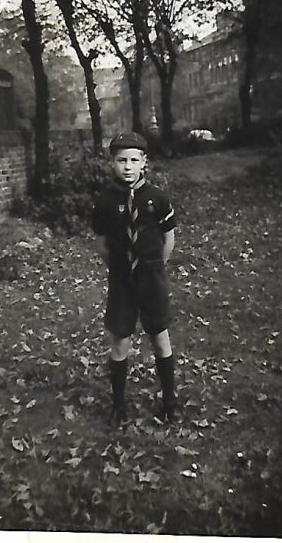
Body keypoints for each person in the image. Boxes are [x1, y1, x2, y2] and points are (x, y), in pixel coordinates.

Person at [92, 132, 177, 427]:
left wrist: (153, 266)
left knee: (160, 338)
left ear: (144, 162)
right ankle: (118, 405)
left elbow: (169, 239)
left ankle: (170, 402)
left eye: (133, 160)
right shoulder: (104, 201)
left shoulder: (157, 197)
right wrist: (121, 268)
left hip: (151, 277)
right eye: (120, 160)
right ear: (111, 162)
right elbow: (102, 244)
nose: (127, 166)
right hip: (121, 281)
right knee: (120, 342)